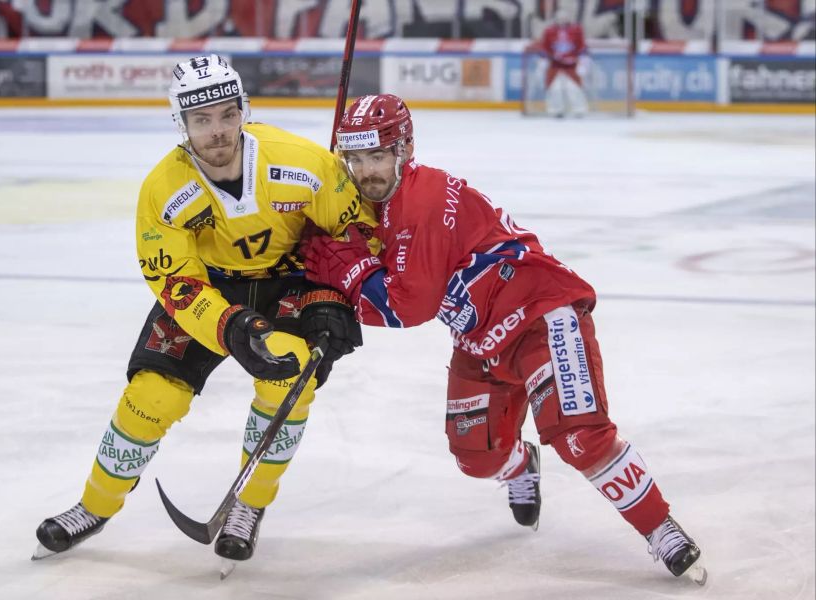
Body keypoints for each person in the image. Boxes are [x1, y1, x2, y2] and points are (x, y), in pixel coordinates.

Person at [301, 94, 707, 584]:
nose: (366, 171)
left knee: (578, 433)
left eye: (377, 156)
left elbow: (408, 306)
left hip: (541, 315)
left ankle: (660, 529)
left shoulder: (423, 199)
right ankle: (520, 466)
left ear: (404, 149)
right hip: (479, 342)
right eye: (356, 158)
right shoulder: (371, 208)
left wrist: (348, 268)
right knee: (476, 457)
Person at [34, 54, 372, 564]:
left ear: (244, 110)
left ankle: (248, 505)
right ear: (181, 123)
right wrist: (230, 324)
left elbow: (355, 233)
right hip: (205, 290)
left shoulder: (303, 163)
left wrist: (333, 298)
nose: (217, 130)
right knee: (151, 396)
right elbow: (174, 279)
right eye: (201, 119)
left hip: (285, 282)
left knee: (290, 378)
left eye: (226, 114)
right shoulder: (164, 190)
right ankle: (94, 505)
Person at [539, 9, 591, 118]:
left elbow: (581, 46)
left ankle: (579, 109)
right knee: (555, 88)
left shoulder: (576, 30)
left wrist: (583, 62)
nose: (562, 20)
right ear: (556, 19)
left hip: (572, 64)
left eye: (564, 18)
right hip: (555, 64)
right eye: (560, 18)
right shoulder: (549, 31)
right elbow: (545, 47)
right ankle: (556, 110)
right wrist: (543, 60)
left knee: (574, 88)